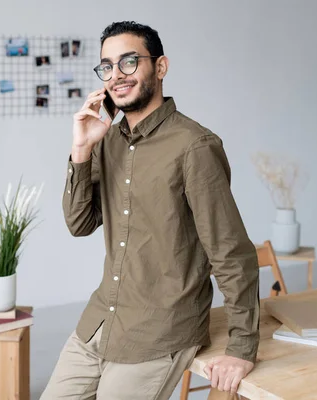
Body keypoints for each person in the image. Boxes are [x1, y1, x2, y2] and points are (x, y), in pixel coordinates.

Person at [40, 21, 260, 400]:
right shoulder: (106, 141)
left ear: (160, 67)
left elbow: (230, 252)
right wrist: (81, 151)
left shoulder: (195, 146)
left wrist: (242, 348)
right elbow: (79, 224)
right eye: (107, 66)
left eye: (129, 62)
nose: (116, 76)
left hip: (158, 331)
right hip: (100, 322)